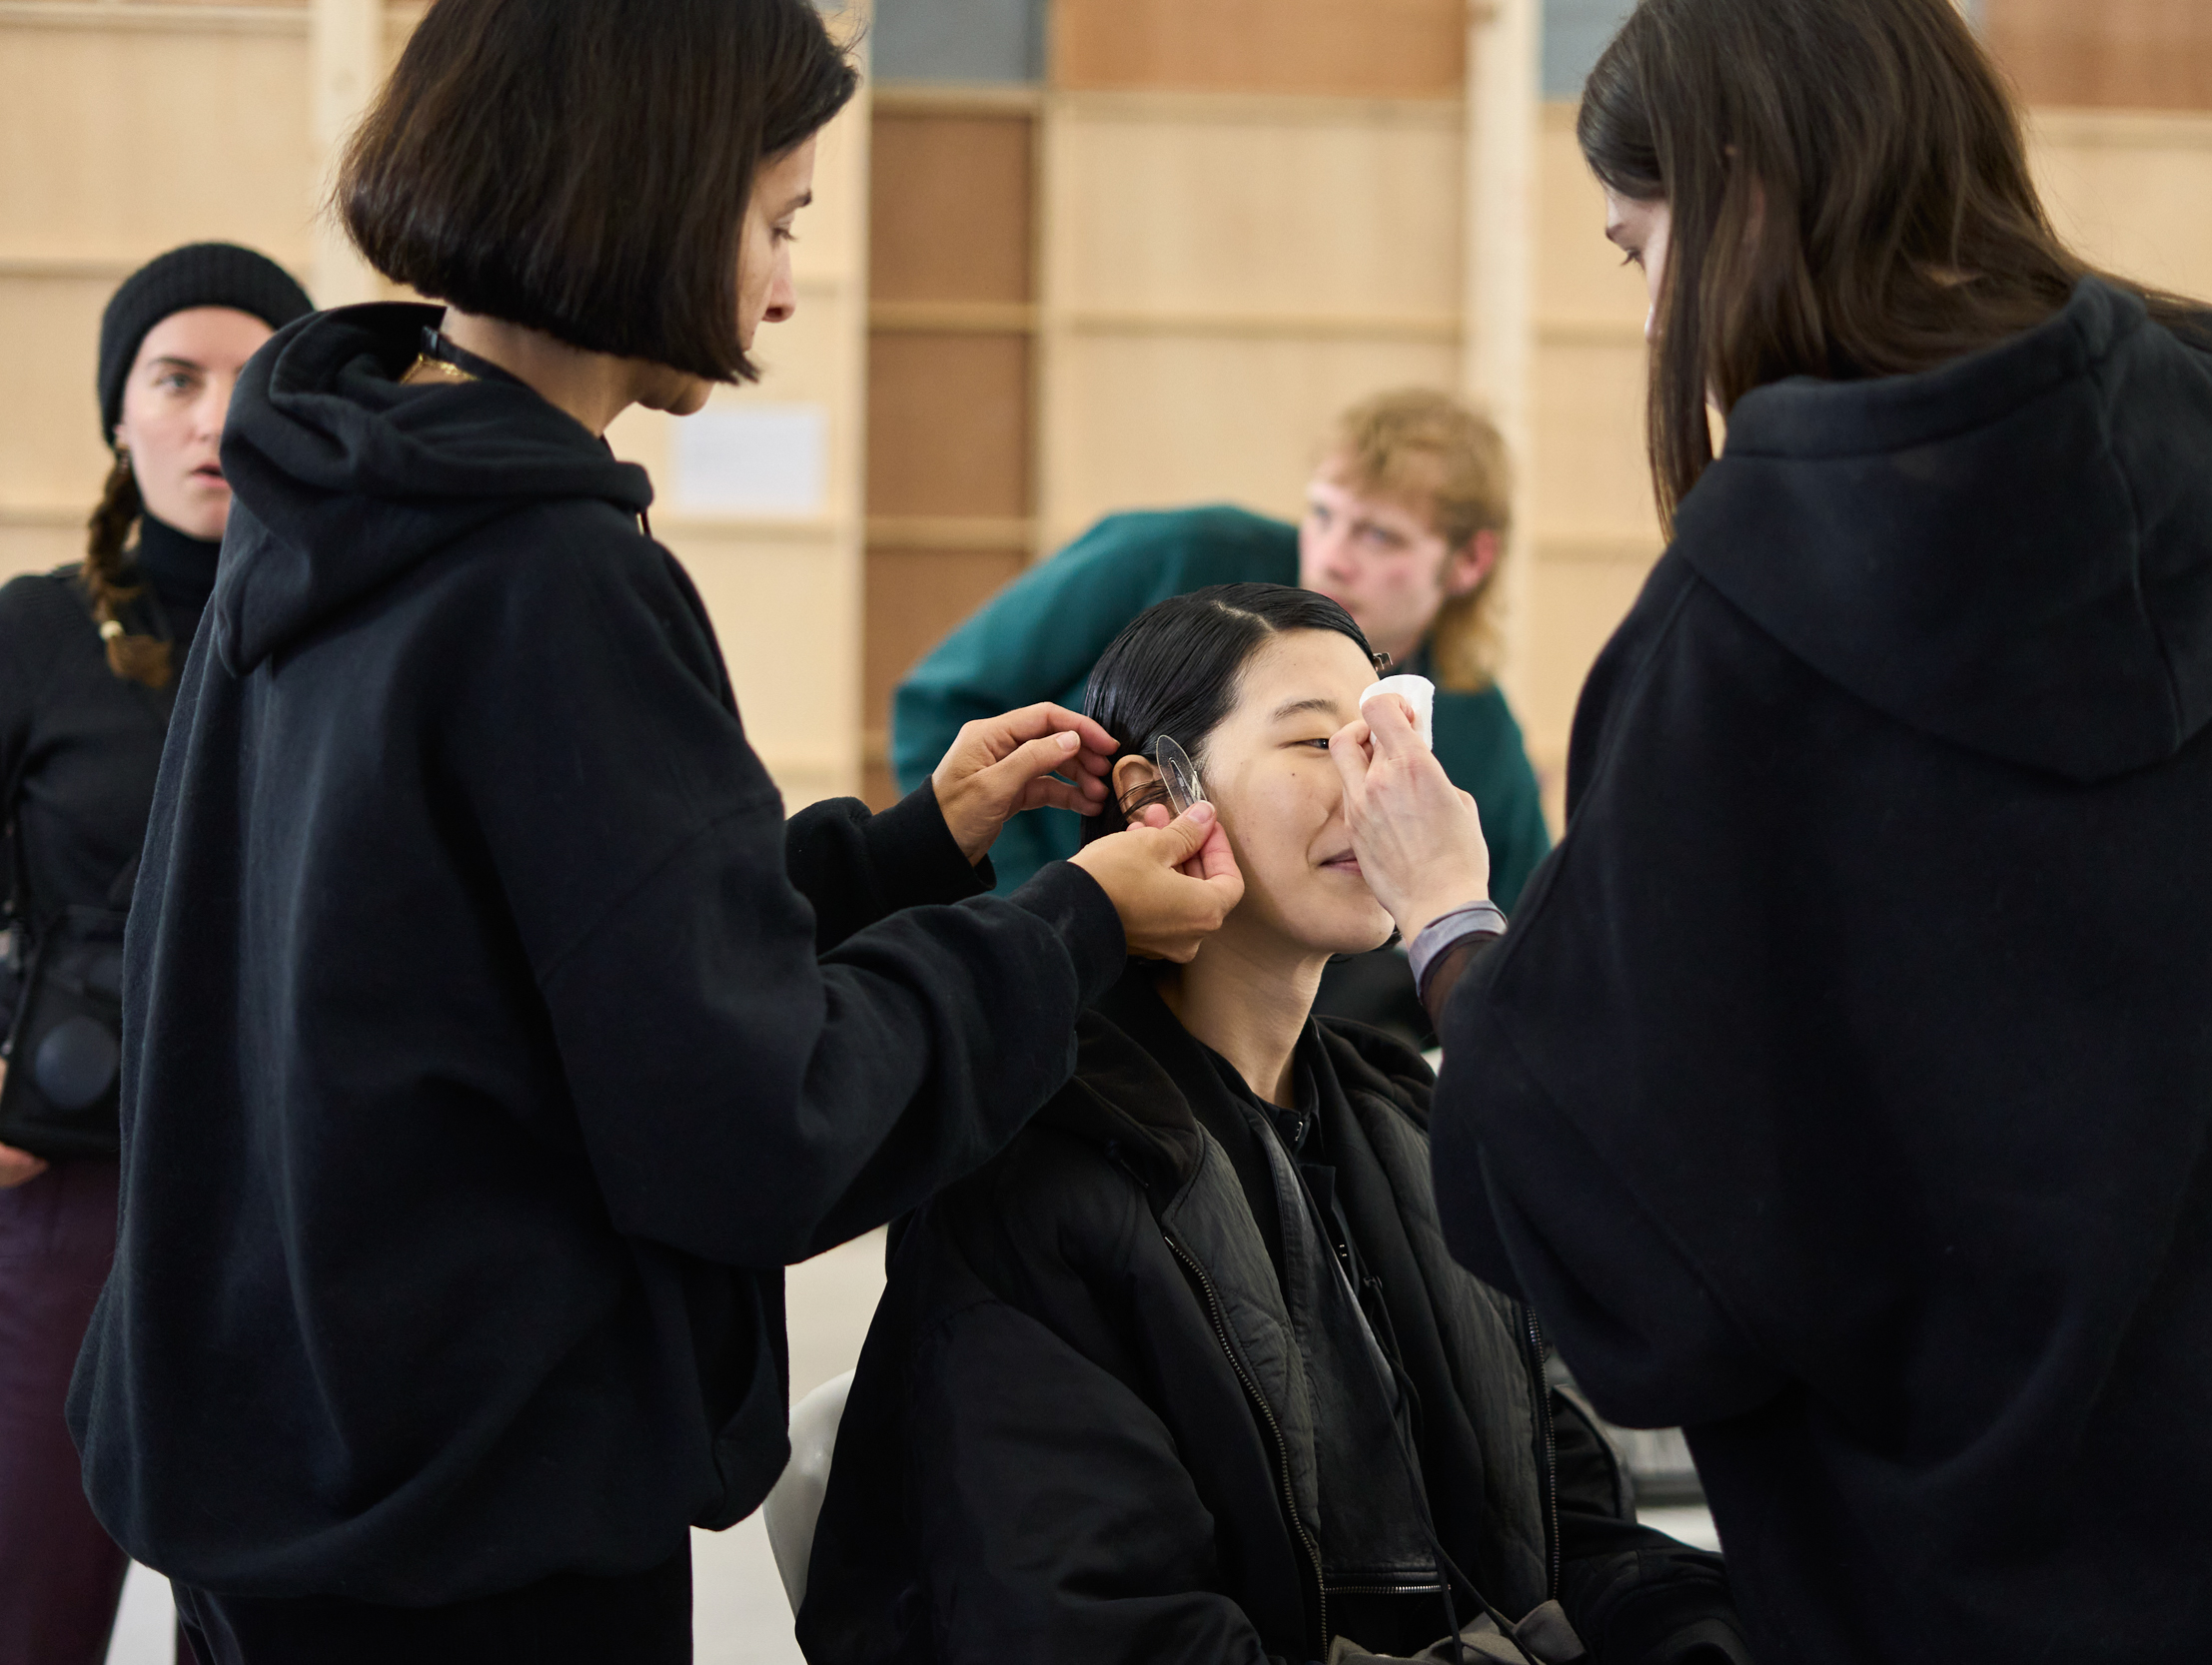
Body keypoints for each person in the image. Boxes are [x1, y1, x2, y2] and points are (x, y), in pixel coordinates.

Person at [63, 3, 1241, 1660]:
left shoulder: (338, 495)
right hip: (467, 1522)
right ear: (650, 194)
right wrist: (1077, 928)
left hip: (278, 1457)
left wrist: (919, 846)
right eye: (776, 221)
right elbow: (750, 1118)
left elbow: (552, 954)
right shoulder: (554, 582)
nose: (780, 281)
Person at [1328, 0, 2212, 1661]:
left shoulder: (1743, 629)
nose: (1655, 311)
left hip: (1979, 1594)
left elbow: (1647, 1244)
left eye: (1636, 249)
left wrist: (1452, 921)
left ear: (1736, 191)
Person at [798, 584, 1747, 1665]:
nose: (1378, 783)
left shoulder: (1410, 1118)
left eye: (1383, 735)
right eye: (1313, 742)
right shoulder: (1046, 1168)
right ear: (1159, 793)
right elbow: (1100, 1628)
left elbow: (1572, 1521)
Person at [0, 242, 309, 1665]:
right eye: (173, 376)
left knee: (257, 1613)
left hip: (289, 1198)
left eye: (251, 377)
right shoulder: (35, 631)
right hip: (70, 1180)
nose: (210, 415)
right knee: (32, 1595)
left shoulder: (352, 633)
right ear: (119, 411)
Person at [891, 390, 1550, 912]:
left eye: (1380, 536)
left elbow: (1519, 931)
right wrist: (1043, 909)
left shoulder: (1475, 726)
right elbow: (943, 701)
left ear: (1470, 560)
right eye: (1322, 515)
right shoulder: (1174, 556)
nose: (1332, 558)